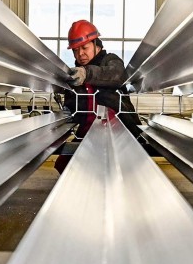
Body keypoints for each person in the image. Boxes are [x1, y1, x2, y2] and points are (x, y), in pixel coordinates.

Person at [56, 19, 143, 172]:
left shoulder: (110, 61)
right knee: (64, 164)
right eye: (75, 50)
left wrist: (87, 73)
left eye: (84, 47)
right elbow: (73, 105)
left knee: (123, 168)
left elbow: (117, 76)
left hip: (120, 129)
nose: (80, 53)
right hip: (89, 131)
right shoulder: (76, 75)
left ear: (96, 44)